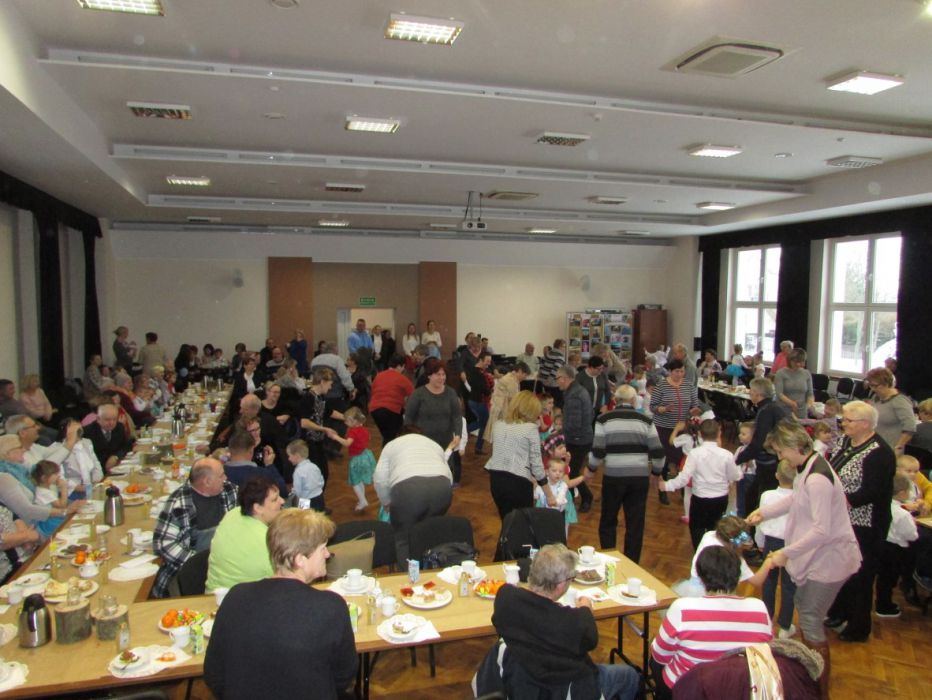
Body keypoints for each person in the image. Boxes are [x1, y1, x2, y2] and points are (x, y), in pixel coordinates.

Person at [747, 420, 861, 699]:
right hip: (820, 556)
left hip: (830, 559)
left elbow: (821, 530)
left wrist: (786, 553)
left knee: (809, 618)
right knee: (804, 607)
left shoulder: (818, 478)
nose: (780, 457)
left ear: (793, 446)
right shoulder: (809, 466)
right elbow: (796, 499)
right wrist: (765, 513)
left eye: (780, 451)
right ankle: (810, 676)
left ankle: (820, 690)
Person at [204, 509, 357, 700]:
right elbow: (344, 676)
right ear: (300, 560)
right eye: (322, 548)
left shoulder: (235, 597)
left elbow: (214, 673)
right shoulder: (331, 607)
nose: (327, 554)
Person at [488, 543, 639, 700]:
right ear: (561, 585)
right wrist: (586, 609)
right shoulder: (573, 622)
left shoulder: (505, 597)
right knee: (630, 675)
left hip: (520, 683)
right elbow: (590, 639)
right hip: (564, 687)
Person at [650, 547, 773, 700]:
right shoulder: (759, 608)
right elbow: (765, 654)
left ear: (701, 577)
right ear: (738, 576)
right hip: (738, 690)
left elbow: (660, 656)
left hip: (691, 690)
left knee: (655, 660)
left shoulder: (682, 608)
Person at [823, 400, 895, 642]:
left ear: (865, 424)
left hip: (866, 524)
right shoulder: (846, 441)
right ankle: (838, 612)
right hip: (843, 518)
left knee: (861, 574)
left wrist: (838, 499)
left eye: (848, 420)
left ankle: (858, 626)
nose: (843, 423)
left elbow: (872, 492)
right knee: (841, 568)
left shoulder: (880, 453)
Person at [588, 384, 664, 562]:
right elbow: (658, 453)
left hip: (613, 478)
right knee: (635, 523)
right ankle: (632, 562)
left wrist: (591, 469)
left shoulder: (603, 419)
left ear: (615, 400)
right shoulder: (646, 420)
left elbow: (598, 451)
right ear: (633, 400)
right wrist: (656, 472)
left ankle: (609, 559)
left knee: (608, 520)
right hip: (639, 479)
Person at [152, 457, 238, 598]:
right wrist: (199, 562)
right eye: (221, 475)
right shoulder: (179, 503)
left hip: (226, 566)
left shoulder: (230, 491)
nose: (226, 478)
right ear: (207, 481)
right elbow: (163, 544)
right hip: (192, 574)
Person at [373, 427, 454, 566]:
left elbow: (380, 478)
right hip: (442, 487)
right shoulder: (433, 444)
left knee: (403, 539)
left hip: (408, 491)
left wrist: (386, 502)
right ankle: (431, 567)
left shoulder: (392, 445)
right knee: (431, 530)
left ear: (399, 435)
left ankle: (410, 576)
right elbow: (448, 474)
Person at [660, 420, 741, 549]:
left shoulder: (695, 454)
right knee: (715, 528)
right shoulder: (727, 455)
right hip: (720, 498)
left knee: (696, 527)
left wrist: (667, 485)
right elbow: (734, 476)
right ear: (719, 433)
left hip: (700, 498)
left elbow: (684, 478)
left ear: (700, 434)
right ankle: (713, 550)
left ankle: (699, 550)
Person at [206, 475, 283, 592]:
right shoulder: (268, 542)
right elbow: (287, 580)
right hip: (244, 600)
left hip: (212, 595)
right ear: (258, 508)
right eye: (274, 500)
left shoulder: (232, 514)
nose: (282, 501)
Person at [485, 391, 553, 520]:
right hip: (518, 483)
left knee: (506, 521)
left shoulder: (498, 425)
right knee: (522, 523)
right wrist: (549, 495)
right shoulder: (531, 428)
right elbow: (537, 466)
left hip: (496, 480)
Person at [755, 460, 798, 638]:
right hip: (791, 546)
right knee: (789, 586)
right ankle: (785, 627)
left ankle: (766, 620)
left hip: (771, 543)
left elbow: (760, 520)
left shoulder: (767, 496)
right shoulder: (800, 498)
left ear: (777, 475)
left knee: (769, 582)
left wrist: (759, 541)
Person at [735, 378, 791, 514]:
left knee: (757, 499)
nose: (750, 393)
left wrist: (738, 459)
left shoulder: (766, 411)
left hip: (769, 463)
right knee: (753, 496)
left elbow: (759, 441)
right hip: (771, 461)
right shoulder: (773, 407)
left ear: (757, 393)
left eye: (751, 391)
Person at [649, 359, 701, 505]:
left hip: (683, 429)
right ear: (670, 372)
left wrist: (694, 410)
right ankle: (662, 490)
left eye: (682, 371)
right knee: (664, 460)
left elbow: (694, 404)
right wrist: (663, 409)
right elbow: (653, 406)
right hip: (664, 428)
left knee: (683, 460)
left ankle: (685, 489)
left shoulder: (689, 385)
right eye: (677, 371)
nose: (680, 374)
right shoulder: (661, 386)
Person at [0, 435, 82, 527]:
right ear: (8, 453)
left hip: (41, 520)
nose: (24, 450)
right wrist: (65, 511)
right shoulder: (4, 479)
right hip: (33, 527)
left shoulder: (22, 471)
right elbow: (26, 510)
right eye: (20, 447)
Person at [874, 472, 919, 619]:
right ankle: (884, 606)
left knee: (883, 578)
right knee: (890, 579)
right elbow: (912, 535)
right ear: (902, 493)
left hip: (883, 545)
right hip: (896, 550)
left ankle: (881, 603)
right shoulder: (903, 514)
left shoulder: (883, 505)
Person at [557, 365, 595, 512]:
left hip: (578, 440)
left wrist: (559, 433)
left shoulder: (573, 395)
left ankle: (587, 497)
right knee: (571, 470)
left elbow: (573, 424)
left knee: (571, 472)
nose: (557, 381)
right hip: (581, 437)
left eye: (558, 378)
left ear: (565, 378)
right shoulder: (578, 390)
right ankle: (571, 497)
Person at [403, 358, 462, 450]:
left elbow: (457, 416)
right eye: (438, 374)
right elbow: (408, 417)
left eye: (443, 374)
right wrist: (410, 438)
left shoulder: (451, 393)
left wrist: (458, 434)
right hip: (423, 442)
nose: (441, 378)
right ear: (429, 376)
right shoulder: (418, 394)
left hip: (446, 442)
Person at [328, 407, 376, 513]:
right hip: (366, 455)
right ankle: (362, 499)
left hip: (357, 459)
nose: (345, 423)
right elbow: (368, 438)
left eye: (347, 421)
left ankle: (363, 501)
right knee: (360, 480)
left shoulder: (353, 432)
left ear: (354, 421)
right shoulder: (363, 428)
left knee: (355, 482)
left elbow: (347, 443)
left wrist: (335, 437)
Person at [865, 366, 916, 455]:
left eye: (875, 386)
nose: (872, 389)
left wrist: (898, 446)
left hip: (890, 449)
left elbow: (910, 427)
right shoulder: (876, 397)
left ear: (886, 383)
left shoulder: (900, 401)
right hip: (874, 446)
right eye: (870, 385)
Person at [223, 429, 287, 496]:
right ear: (251, 450)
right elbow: (282, 491)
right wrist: (270, 465)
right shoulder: (261, 474)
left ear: (229, 449)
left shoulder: (220, 473)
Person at [369, 354, 414, 445]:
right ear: (400, 366)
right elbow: (414, 395)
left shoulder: (379, 376)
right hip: (392, 409)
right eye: (403, 367)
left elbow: (372, 391)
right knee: (392, 436)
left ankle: (388, 450)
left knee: (387, 436)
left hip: (374, 410)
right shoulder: (402, 378)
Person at [535, 458, 583, 537]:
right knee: (544, 532)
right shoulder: (543, 484)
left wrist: (555, 502)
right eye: (554, 471)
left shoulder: (563, 485)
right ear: (547, 472)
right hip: (543, 514)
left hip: (558, 515)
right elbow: (536, 495)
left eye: (560, 471)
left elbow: (561, 499)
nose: (557, 473)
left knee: (561, 533)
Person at [83, 403, 134, 473]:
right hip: (97, 471)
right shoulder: (87, 432)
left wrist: (115, 456)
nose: (111, 423)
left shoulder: (119, 427)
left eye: (114, 419)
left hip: (117, 467)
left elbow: (127, 446)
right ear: (98, 419)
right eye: (107, 420)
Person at [59, 419, 104, 499]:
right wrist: (80, 488)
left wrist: (96, 481)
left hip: (92, 486)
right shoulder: (59, 449)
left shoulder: (87, 442)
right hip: (71, 492)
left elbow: (96, 465)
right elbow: (60, 478)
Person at [487, 361, 530, 442]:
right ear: (520, 371)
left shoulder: (512, 376)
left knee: (499, 436)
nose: (525, 378)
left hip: (500, 407)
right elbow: (515, 400)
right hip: (501, 410)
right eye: (525, 375)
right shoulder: (511, 381)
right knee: (501, 437)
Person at [465, 351, 494, 454]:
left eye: (490, 361)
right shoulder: (477, 373)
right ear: (481, 360)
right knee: (484, 424)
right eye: (487, 361)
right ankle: (462, 431)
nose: (489, 364)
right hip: (478, 402)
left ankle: (477, 446)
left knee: (482, 423)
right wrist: (491, 389)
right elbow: (483, 389)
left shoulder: (477, 371)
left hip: (475, 401)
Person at [30, 460, 68, 537]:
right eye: (55, 474)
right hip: (49, 523)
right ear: (44, 478)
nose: (58, 476)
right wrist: (64, 487)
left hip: (53, 518)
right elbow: (62, 505)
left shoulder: (47, 489)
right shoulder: (43, 492)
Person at [773, 348, 814, 419]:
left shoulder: (806, 373)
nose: (798, 364)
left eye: (801, 362)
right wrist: (792, 404)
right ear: (790, 360)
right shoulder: (781, 373)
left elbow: (810, 394)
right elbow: (779, 394)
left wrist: (808, 406)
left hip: (802, 411)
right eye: (795, 362)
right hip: (784, 410)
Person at [287, 439, 325, 512]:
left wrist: (291, 495)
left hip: (305, 500)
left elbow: (298, 491)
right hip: (319, 497)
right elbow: (321, 481)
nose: (288, 459)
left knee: (305, 517)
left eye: (290, 456)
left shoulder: (298, 472)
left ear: (297, 456)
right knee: (319, 516)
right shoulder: (314, 466)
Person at [733, 421, 756, 517]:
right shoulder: (740, 449)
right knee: (740, 499)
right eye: (740, 433)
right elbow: (734, 463)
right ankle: (740, 516)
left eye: (743, 434)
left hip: (751, 477)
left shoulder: (756, 451)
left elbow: (757, 468)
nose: (740, 436)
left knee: (749, 499)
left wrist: (752, 465)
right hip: (740, 478)